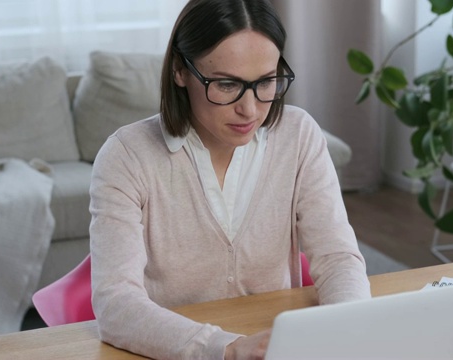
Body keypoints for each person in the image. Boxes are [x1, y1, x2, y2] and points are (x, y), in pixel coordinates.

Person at [88, 0, 371, 359]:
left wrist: (351, 325)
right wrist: (229, 349)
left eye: (266, 82)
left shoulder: (298, 135)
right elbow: (116, 306)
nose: (250, 109)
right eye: (226, 85)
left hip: (279, 346)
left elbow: (338, 258)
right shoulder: (126, 156)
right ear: (180, 70)